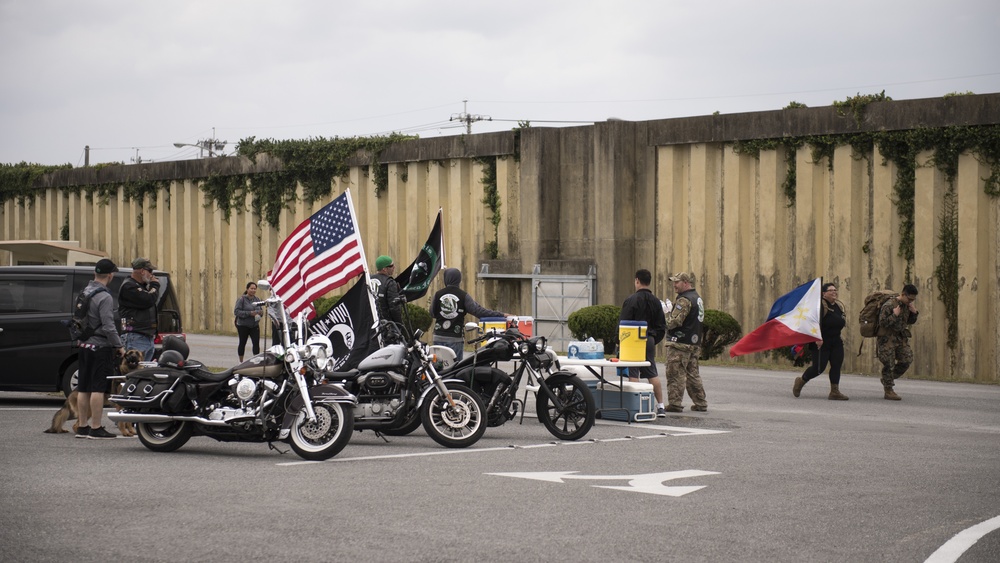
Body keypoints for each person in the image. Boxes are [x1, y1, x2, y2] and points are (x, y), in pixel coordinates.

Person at [76, 258, 125, 439]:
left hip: (84, 345)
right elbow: (108, 325)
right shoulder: (104, 296)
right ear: (110, 275)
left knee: (83, 387)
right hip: (99, 346)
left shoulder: (84, 292)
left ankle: (82, 427)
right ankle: (96, 428)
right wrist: (119, 345)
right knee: (97, 388)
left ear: (95, 274)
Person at [431, 267, 507, 362]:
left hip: (438, 337)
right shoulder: (463, 296)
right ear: (459, 280)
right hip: (455, 339)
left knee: (437, 369)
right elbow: (479, 311)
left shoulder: (438, 294)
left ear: (446, 278)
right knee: (454, 369)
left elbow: (432, 313)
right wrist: (501, 315)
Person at [619, 269, 668, 416]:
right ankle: (660, 406)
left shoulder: (631, 300)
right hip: (650, 339)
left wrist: (620, 342)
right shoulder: (656, 302)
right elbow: (661, 326)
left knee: (634, 373)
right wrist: (653, 340)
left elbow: (623, 323)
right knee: (652, 372)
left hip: (633, 341)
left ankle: (635, 406)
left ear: (637, 281)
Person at [792, 282, 848, 400]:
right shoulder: (819, 307)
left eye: (835, 289)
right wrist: (817, 337)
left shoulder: (838, 306)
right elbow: (811, 323)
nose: (834, 292)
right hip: (821, 342)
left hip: (836, 341)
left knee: (836, 365)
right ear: (823, 294)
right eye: (830, 290)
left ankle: (834, 391)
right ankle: (801, 381)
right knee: (818, 369)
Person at [664, 272, 708, 413]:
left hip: (680, 343)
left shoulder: (684, 300)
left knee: (675, 373)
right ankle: (700, 402)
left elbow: (673, 322)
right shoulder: (697, 298)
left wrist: (665, 313)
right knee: (692, 374)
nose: (674, 285)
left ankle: (675, 403)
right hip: (694, 342)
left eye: (677, 282)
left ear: (685, 282)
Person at [877, 284, 919, 400]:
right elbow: (883, 323)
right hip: (887, 339)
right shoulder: (889, 305)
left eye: (913, 299)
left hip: (900, 338)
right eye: (909, 299)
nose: (910, 301)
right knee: (888, 364)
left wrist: (914, 313)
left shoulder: (907, 306)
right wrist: (894, 315)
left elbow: (909, 321)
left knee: (907, 360)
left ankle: (887, 379)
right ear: (903, 294)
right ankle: (889, 390)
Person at [117, 257, 160, 361]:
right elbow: (148, 299)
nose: (151, 275)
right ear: (142, 271)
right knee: (135, 371)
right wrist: (155, 285)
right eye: (150, 271)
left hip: (146, 336)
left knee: (144, 372)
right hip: (135, 336)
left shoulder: (142, 286)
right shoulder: (129, 286)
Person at [371, 255, 404, 328]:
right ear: (384, 269)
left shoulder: (368, 280)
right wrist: (399, 324)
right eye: (391, 266)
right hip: (386, 326)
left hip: (370, 325)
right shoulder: (390, 283)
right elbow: (394, 307)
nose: (394, 267)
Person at [234, 282, 262, 362]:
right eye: (251, 288)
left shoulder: (257, 299)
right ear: (247, 289)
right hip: (243, 325)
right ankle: (241, 361)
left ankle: (256, 361)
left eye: (255, 289)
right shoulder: (241, 299)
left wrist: (260, 313)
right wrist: (249, 313)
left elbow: (261, 310)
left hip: (254, 325)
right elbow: (236, 312)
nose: (253, 290)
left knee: (256, 343)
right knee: (242, 343)